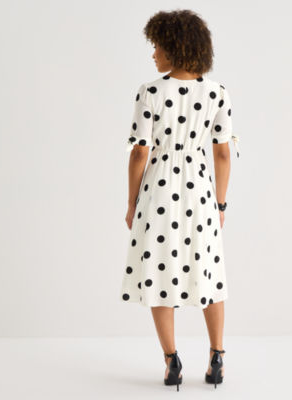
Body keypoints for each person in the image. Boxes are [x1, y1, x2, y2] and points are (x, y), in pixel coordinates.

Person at [120, 9, 240, 390]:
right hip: (201, 192)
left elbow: (140, 152)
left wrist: (131, 203)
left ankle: (172, 361)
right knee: (210, 273)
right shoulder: (217, 93)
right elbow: (223, 153)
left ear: (174, 46)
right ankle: (217, 356)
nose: (153, 53)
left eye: (157, 45)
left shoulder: (150, 92)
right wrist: (220, 203)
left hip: (158, 192)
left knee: (159, 274)